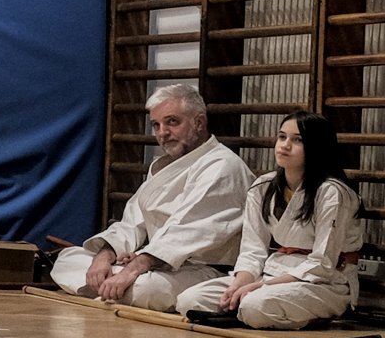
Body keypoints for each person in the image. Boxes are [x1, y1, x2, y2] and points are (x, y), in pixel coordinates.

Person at [51, 84, 254, 311]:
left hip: (204, 270)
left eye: (172, 122)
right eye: (156, 125)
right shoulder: (162, 167)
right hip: (153, 262)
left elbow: (185, 231)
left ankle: (110, 287)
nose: (162, 133)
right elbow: (132, 222)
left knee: (146, 288)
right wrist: (105, 257)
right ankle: (111, 285)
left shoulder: (222, 166)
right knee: (68, 259)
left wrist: (135, 266)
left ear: (199, 122)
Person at [176, 112, 363, 329]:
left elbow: (322, 264)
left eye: (297, 140)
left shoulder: (332, 192)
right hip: (272, 273)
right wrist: (239, 284)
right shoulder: (262, 187)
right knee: (190, 300)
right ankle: (243, 309)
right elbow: (252, 251)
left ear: (317, 146)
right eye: (282, 137)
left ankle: (313, 315)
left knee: (255, 306)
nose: (285, 145)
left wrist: (262, 286)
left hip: (325, 282)